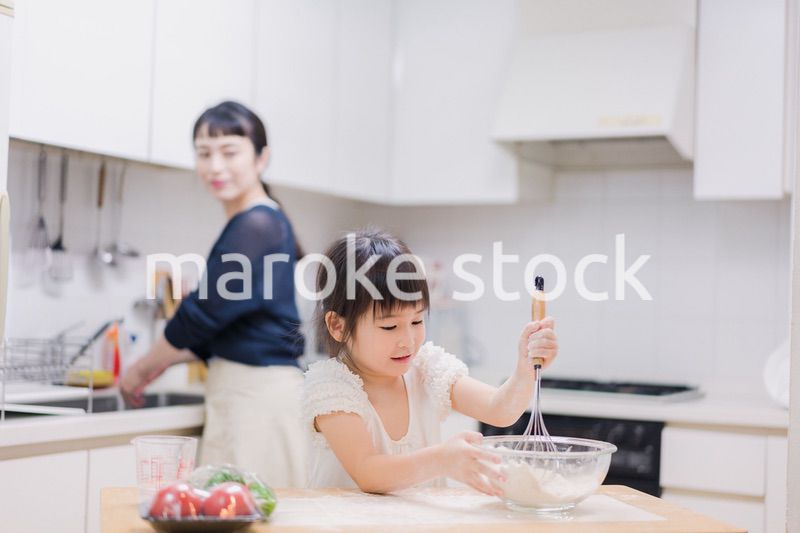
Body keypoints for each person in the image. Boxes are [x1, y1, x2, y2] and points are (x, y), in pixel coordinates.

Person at [120, 101, 306, 487]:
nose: (215, 166)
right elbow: (225, 326)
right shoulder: (261, 221)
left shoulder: (255, 223)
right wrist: (159, 364)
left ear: (261, 158)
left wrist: (139, 370)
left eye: (229, 151)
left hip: (256, 401)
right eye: (204, 153)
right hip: (251, 395)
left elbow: (199, 316)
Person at [303, 229, 558, 494]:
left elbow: (500, 410)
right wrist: (441, 459)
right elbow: (369, 472)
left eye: (416, 321)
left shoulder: (426, 368)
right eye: (389, 327)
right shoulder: (332, 387)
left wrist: (525, 368)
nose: (408, 340)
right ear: (337, 325)